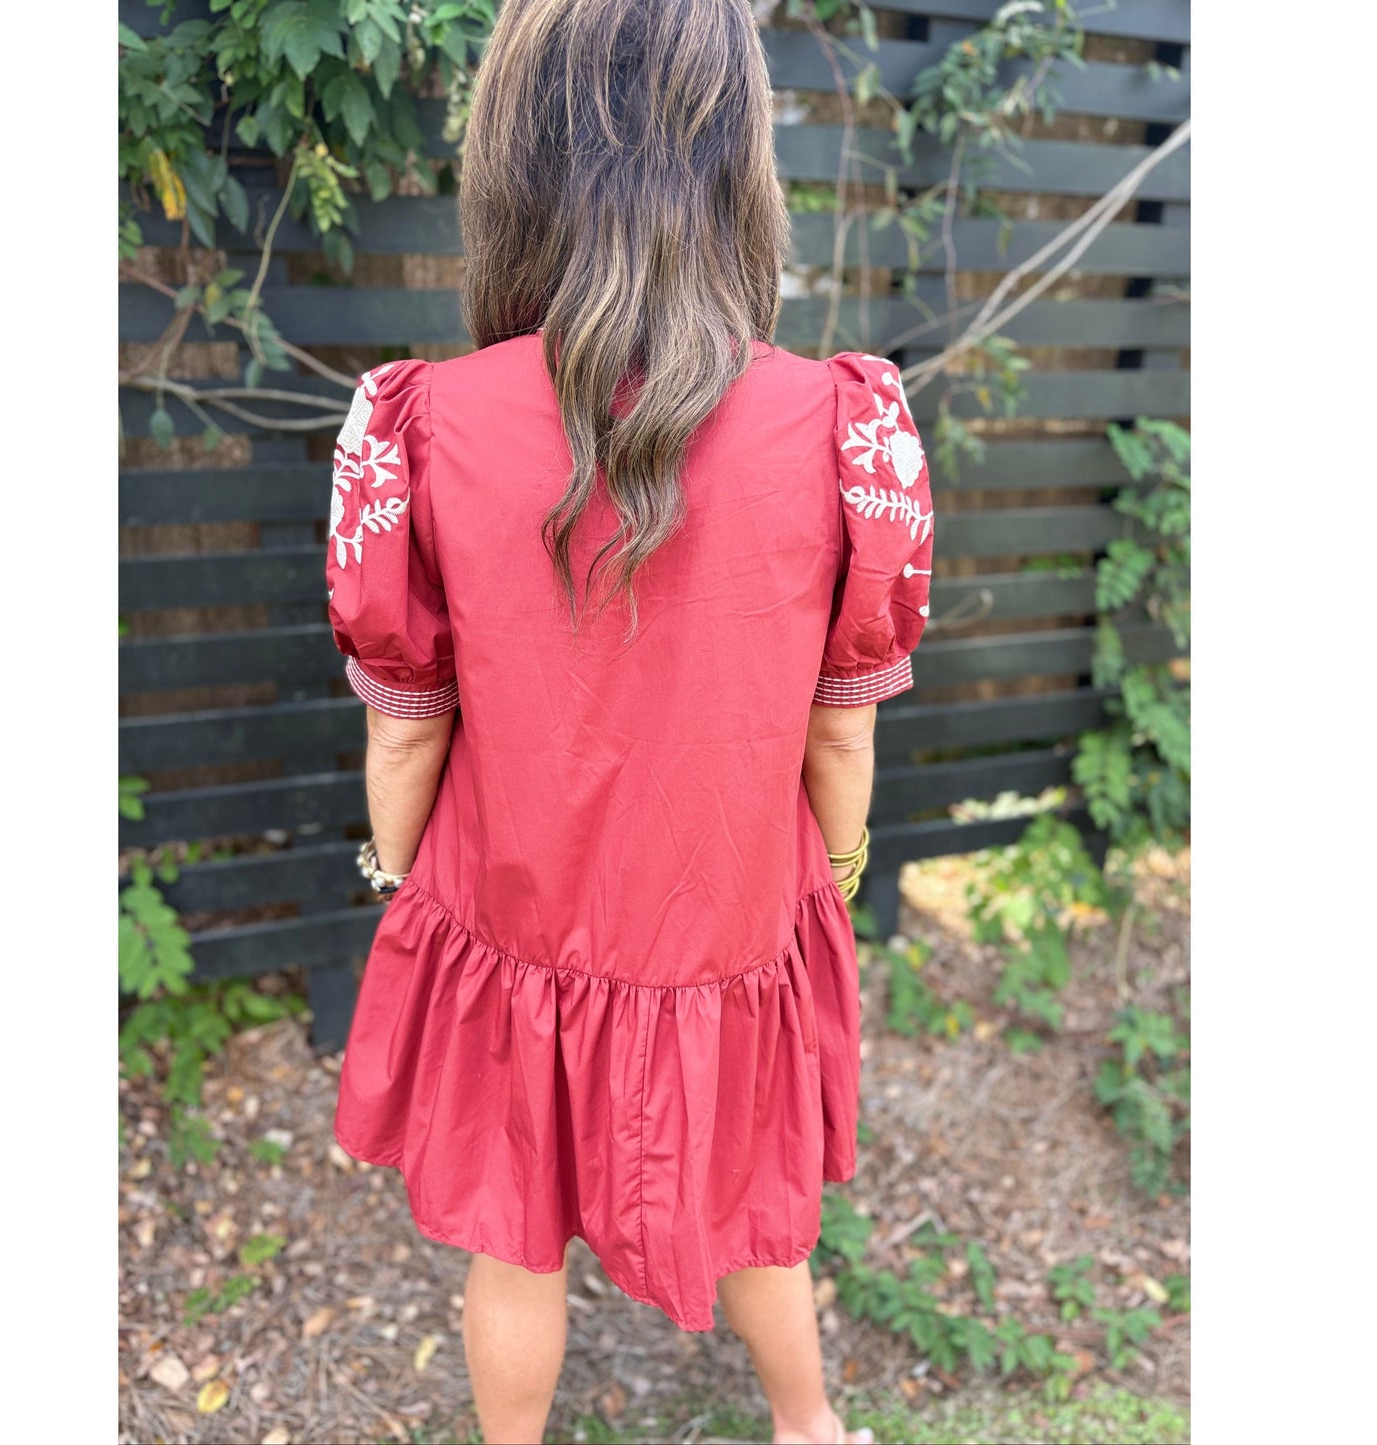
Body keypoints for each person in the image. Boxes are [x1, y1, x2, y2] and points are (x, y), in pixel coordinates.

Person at [325, 1, 934, 1440]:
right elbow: (839, 727)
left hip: (515, 915)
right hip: (730, 914)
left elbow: (406, 724)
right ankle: (806, 1426)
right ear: (740, 167)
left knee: (511, 1232)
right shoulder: (841, 424)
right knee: (759, 1200)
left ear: (510, 164)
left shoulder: (420, 424)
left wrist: (396, 872)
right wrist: (833, 868)